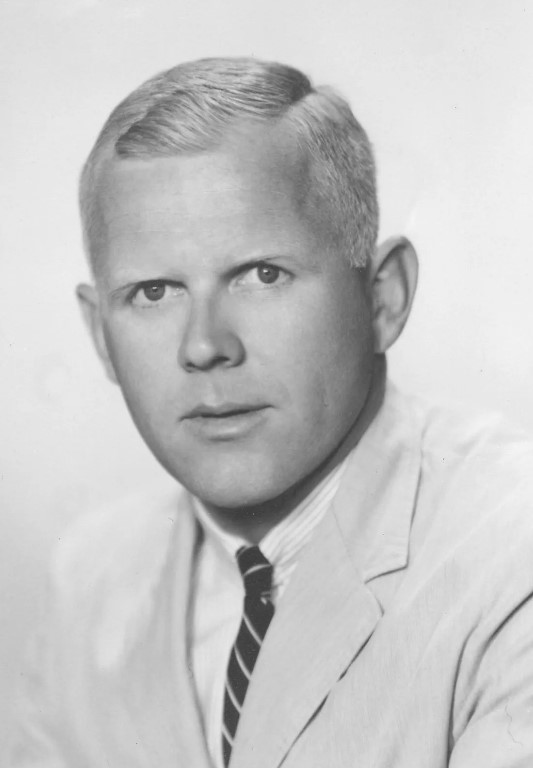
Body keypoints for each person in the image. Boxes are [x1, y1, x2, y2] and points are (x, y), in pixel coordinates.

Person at [9, 57, 533, 767]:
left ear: (383, 297)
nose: (204, 346)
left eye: (262, 275)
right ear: (100, 335)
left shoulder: (509, 555)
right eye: (155, 293)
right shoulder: (86, 582)